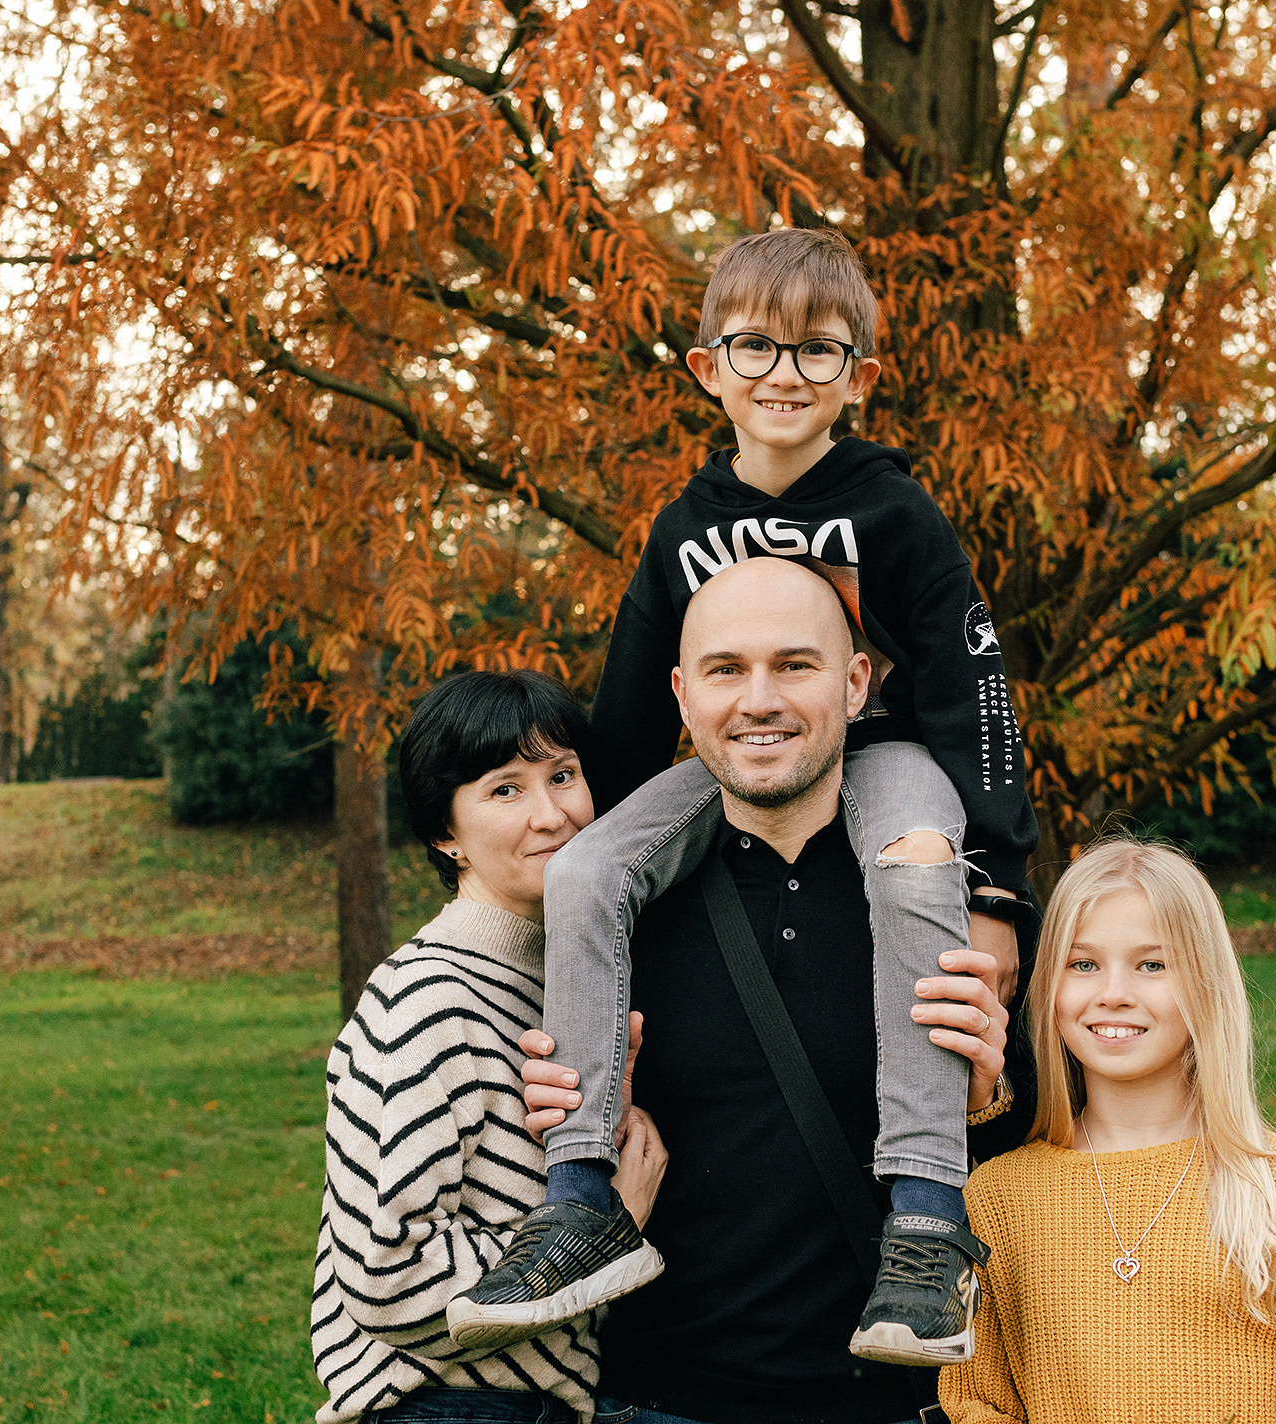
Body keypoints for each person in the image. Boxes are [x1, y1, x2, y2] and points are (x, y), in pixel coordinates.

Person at [448, 226, 1040, 1369]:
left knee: (915, 851)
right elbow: (627, 705)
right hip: (721, 775)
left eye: (816, 351)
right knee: (585, 870)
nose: (782, 372)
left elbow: (976, 695)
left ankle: (923, 1216)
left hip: (883, 759)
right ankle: (578, 1196)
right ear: (705, 367)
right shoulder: (682, 529)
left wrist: (1000, 893)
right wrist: (590, 853)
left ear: (859, 378)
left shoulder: (897, 515)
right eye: (753, 345)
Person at [498, 557, 1025, 1424]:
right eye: (725, 670)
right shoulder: (622, 907)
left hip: (896, 1402)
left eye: (794, 665)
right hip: (660, 1397)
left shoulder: (939, 897)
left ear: (857, 683)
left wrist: (986, 1093)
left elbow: (1058, 1141)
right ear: (681, 693)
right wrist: (581, 1098)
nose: (759, 700)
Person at [937, 839, 1276, 1424]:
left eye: (1152, 965)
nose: (1113, 994)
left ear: (1205, 984)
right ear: (1048, 988)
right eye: (1084, 963)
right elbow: (977, 1403)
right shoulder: (997, 1197)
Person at [311, 670, 670, 1424]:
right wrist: (602, 1233)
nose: (553, 815)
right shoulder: (425, 998)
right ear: (446, 832)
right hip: (448, 1408)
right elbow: (388, 1276)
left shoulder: (569, 973)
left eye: (563, 776)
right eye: (505, 789)